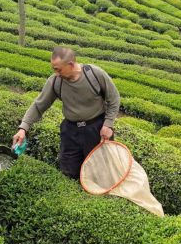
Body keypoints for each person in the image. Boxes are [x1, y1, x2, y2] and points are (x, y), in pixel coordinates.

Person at [12, 46, 121, 179]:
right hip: (71, 132)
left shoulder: (94, 74)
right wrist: (23, 128)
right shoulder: (55, 81)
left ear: (70, 64)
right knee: (69, 172)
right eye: (54, 69)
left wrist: (108, 124)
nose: (56, 73)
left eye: (58, 69)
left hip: (96, 129)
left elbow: (114, 99)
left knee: (99, 173)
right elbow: (39, 105)